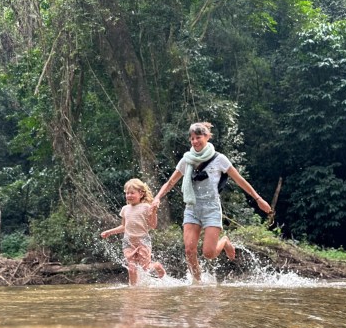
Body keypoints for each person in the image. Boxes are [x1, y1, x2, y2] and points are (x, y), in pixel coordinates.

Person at [151, 121, 272, 282]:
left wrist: (258, 199)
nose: (195, 141)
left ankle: (225, 242)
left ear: (207, 137)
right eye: (192, 138)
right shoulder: (187, 160)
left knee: (208, 253)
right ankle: (197, 282)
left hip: (211, 209)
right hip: (192, 209)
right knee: (189, 250)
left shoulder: (219, 159)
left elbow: (239, 180)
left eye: (198, 137)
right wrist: (157, 198)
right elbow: (170, 182)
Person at [101, 178, 167, 285]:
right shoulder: (125, 209)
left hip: (143, 241)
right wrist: (109, 232)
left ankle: (156, 266)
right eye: (127, 193)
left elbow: (153, 225)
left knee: (145, 268)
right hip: (128, 241)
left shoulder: (146, 207)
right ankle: (133, 289)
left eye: (132, 193)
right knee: (131, 268)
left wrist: (154, 211)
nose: (129, 195)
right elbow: (123, 226)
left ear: (141, 194)